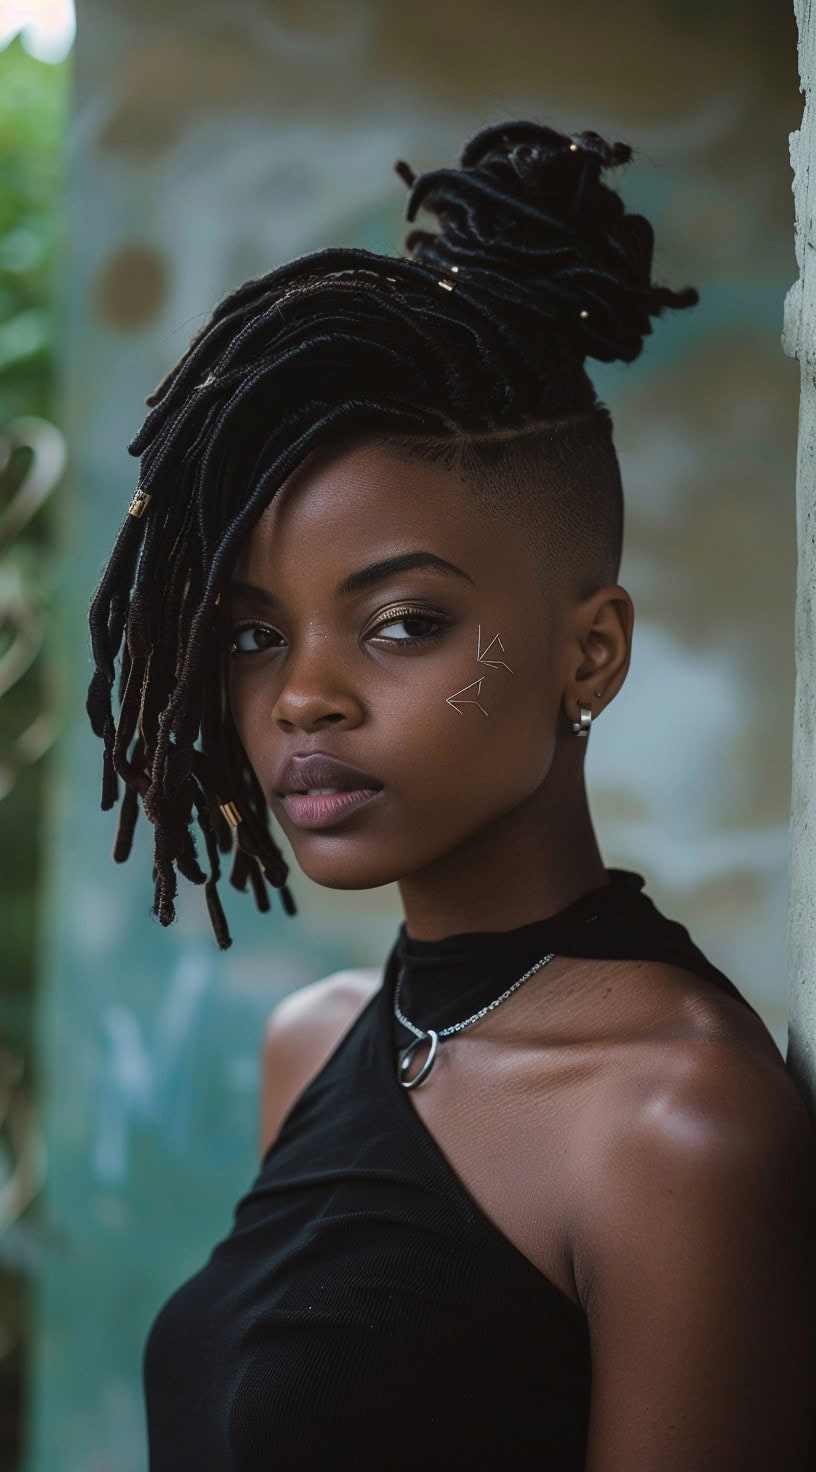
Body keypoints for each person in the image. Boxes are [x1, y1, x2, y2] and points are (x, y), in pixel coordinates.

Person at [86, 119, 816, 1470]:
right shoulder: (315, 1044)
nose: (303, 696)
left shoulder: (678, 1121)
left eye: (402, 623)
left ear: (586, 650)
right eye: (256, 634)